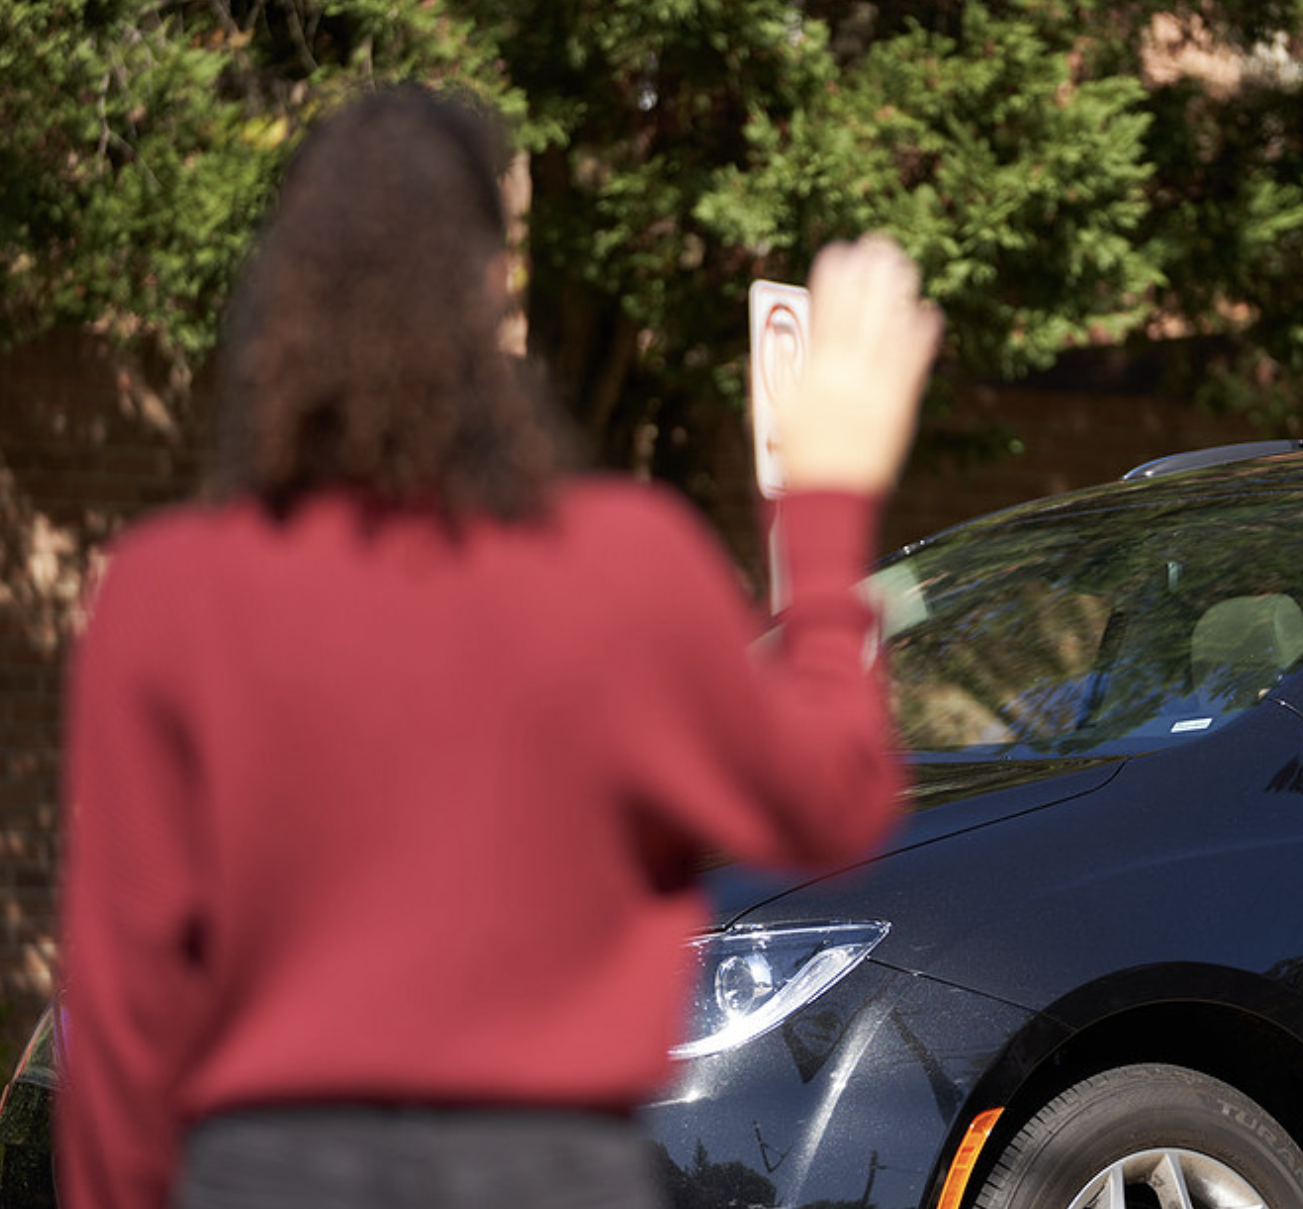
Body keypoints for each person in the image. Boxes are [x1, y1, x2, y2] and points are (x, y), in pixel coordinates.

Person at [54, 85, 942, 1209]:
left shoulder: (165, 591)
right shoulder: (624, 563)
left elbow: (121, 1017)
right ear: (490, 287)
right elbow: (832, 798)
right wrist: (824, 505)